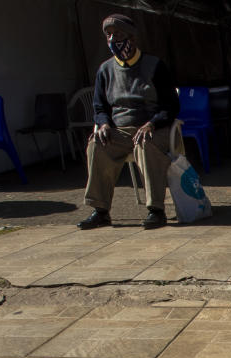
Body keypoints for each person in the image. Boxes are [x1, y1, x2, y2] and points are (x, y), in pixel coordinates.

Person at [78, 14, 178, 230]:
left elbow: (171, 105)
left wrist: (151, 123)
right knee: (97, 144)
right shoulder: (105, 70)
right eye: (109, 35)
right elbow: (99, 107)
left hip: (153, 128)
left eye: (119, 34)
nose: (113, 39)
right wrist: (103, 124)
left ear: (132, 38)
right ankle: (101, 211)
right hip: (120, 130)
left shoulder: (154, 65)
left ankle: (156, 210)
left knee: (145, 143)